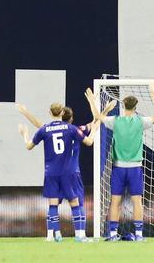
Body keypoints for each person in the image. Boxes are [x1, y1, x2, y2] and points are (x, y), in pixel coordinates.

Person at [17, 101, 98, 242]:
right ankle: (79, 236)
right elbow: (89, 141)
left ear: (50, 113)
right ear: (62, 112)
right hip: (69, 171)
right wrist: (95, 128)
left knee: (53, 205)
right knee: (74, 203)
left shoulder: (45, 129)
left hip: (51, 173)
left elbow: (29, 146)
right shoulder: (72, 129)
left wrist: (24, 134)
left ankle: (55, 236)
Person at [90, 90, 154, 241]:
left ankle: (112, 234)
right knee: (137, 201)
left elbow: (97, 117)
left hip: (118, 168)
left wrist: (92, 101)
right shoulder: (141, 121)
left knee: (115, 201)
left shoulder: (115, 120)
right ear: (135, 106)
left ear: (123, 105)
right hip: (135, 168)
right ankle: (138, 235)